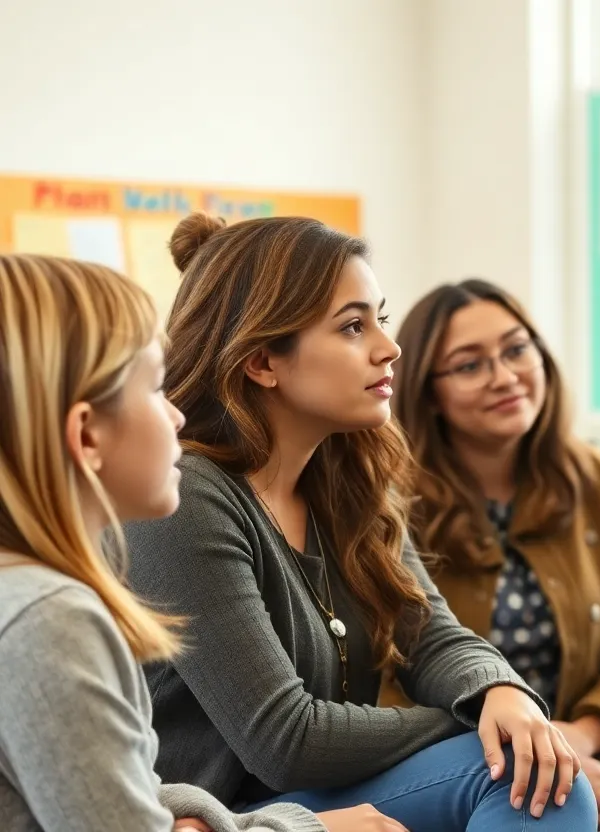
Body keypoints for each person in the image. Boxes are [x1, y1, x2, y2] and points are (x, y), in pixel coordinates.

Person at [125, 214, 596, 831]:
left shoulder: (346, 477)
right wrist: (475, 719)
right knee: (518, 773)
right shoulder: (186, 499)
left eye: (381, 318)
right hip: (227, 818)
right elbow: (285, 739)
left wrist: (495, 692)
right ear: (264, 362)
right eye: (353, 327)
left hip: (325, 793)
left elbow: (430, 636)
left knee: (536, 775)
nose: (389, 347)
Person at [0, 254, 343, 831]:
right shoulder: (50, 621)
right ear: (87, 435)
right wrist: (308, 826)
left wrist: (192, 819)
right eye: (157, 389)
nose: (178, 417)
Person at [391, 278, 600, 827]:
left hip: (590, 764)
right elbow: (384, 680)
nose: (505, 377)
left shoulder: (594, 480)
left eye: (517, 349)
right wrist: (532, 755)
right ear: (428, 392)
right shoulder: (390, 502)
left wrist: (574, 742)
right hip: (458, 776)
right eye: (470, 365)